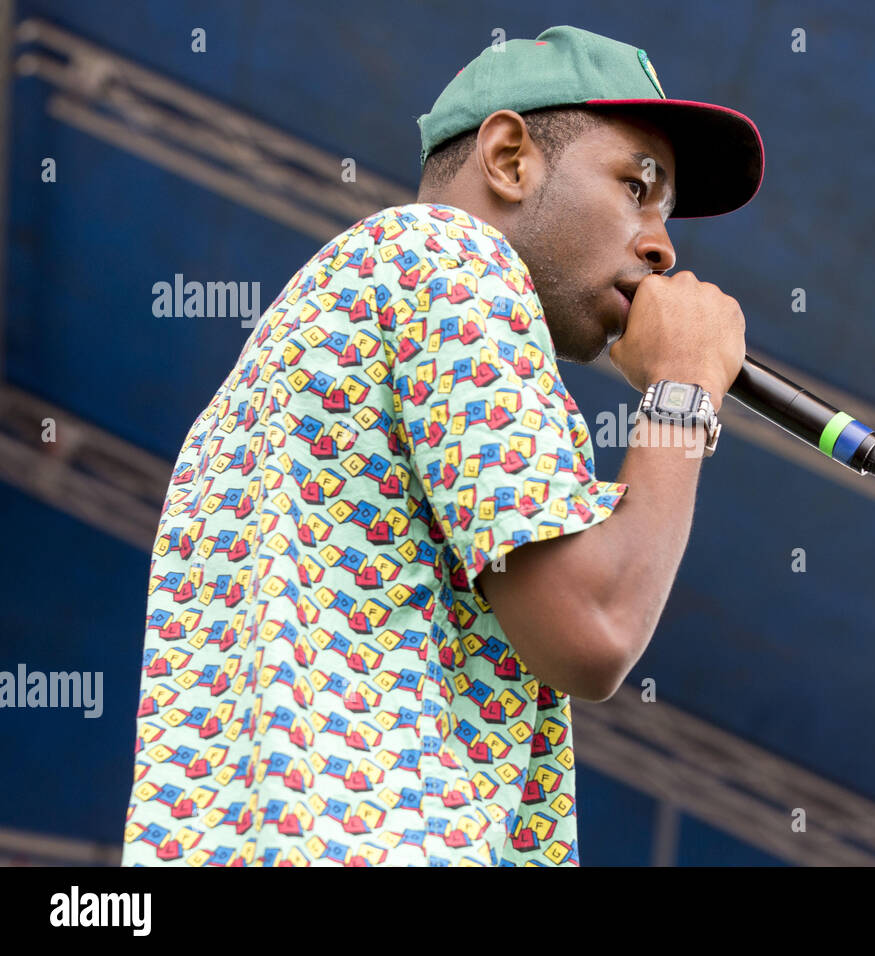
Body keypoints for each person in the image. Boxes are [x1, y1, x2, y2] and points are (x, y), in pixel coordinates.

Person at [122, 24, 763, 867]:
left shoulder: (305, 339)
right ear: (507, 157)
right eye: (636, 186)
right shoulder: (454, 263)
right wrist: (683, 392)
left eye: (666, 211)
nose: (661, 244)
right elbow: (595, 626)